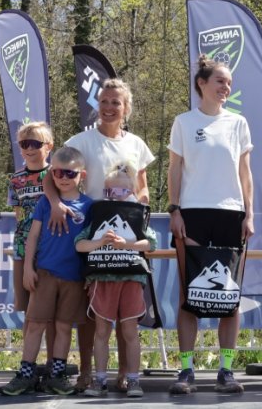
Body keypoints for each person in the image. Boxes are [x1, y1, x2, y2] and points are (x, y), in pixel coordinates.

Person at [44, 78, 155, 392]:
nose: (108, 107)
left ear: (126, 108)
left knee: (126, 317)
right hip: (90, 232)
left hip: (126, 237)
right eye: (103, 101)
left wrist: (137, 212)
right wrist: (55, 204)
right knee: (92, 313)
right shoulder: (80, 140)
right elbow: (51, 176)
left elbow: (143, 188)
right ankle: (88, 373)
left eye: (115, 102)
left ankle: (125, 375)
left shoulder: (136, 144)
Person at [167, 55, 254, 394]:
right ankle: (186, 370)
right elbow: (175, 169)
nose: (226, 87)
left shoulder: (238, 122)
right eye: (220, 81)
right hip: (192, 214)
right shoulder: (184, 122)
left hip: (231, 214)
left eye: (229, 82)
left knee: (229, 296)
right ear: (201, 84)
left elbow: (245, 173)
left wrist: (249, 214)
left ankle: (226, 370)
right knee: (190, 294)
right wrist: (175, 210)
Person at [0, 146, 92, 396]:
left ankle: (57, 375)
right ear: (52, 174)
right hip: (45, 273)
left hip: (74, 277)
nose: (63, 178)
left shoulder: (89, 206)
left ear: (81, 175)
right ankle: (26, 374)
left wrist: (90, 276)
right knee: (35, 325)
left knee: (64, 327)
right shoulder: (44, 202)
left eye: (70, 173)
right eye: (58, 172)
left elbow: (92, 244)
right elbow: (32, 236)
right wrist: (28, 268)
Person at [75, 163, 156, 398]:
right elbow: (79, 244)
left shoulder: (138, 213)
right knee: (101, 331)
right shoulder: (98, 213)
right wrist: (100, 242)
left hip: (131, 278)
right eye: (109, 191)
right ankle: (100, 380)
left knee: (130, 331)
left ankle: (133, 380)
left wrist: (126, 244)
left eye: (121, 191)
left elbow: (151, 243)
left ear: (131, 191)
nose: (115, 196)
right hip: (102, 279)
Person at [7, 121, 54, 387]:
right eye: (24, 144)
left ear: (49, 146)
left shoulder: (56, 175)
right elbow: (18, 215)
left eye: (35, 143)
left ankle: (53, 364)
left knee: (50, 312)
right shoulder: (16, 179)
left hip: (51, 248)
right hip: (24, 249)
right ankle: (29, 366)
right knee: (29, 311)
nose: (29, 148)